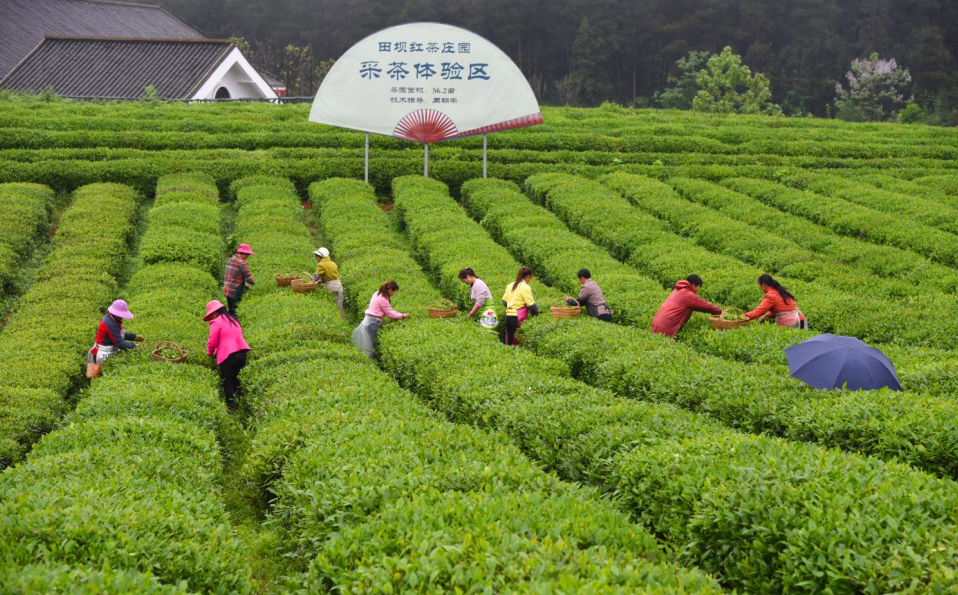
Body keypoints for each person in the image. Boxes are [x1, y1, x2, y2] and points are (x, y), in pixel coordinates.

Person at [205, 299, 250, 407]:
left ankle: (232, 408)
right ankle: (241, 405)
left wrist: (210, 353)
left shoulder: (216, 322)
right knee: (237, 380)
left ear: (215, 312)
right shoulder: (233, 319)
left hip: (228, 356)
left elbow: (212, 341)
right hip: (241, 353)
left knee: (228, 382)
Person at [650, 274, 723, 337]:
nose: (698, 290)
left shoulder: (678, 290)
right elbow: (705, 306)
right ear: (694, 285)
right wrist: (720, 311)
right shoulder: (688, 295)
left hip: (656, 326)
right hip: (665, 329)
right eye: (698, 287)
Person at [352, 280, 410, 359]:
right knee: (372, 346)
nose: (394, 294)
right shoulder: (383, 299)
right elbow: (390, 314)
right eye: (394, 292)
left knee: (369, 344)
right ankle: (372, 364)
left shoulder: (377, 293)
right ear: (390, 290)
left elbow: (389, 311)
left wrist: (398, 314)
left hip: (368, 320)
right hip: (372, 323)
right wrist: (402, 316)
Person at [742, 274, 807, 329]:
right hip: (801, 319)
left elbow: (757, 312)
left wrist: (741, 317)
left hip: (792, 323)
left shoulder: (771, 296)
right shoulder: (781, 290)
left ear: (763, 285)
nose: (760, 289)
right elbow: (784, 308)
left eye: (760, 286)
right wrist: (768, 315)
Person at [88, 299, 143, 364]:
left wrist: (135, 337)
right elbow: (120, 343)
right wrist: (134, 345)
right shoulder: (110, 323)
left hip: (107, 351)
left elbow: (118, 334)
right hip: (102, 354)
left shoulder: (111, 319)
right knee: (98, 373)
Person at [502, 266, 539, 346]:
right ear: (528, 276)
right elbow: (531, 305)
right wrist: (537, 316)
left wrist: (512, 305)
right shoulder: (525, 287)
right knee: (516, 341)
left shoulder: (510, 285)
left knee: (509, 340)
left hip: (508, 315)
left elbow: (504, 302)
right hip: (518, 316)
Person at [311, 247, 345, 319]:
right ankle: (342, 319)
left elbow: (315, 277)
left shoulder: (321, 265)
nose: (316, 258)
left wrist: (310, 280)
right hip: (338, 285)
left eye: (316, 256)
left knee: (332, 305)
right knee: (339, 305)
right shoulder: (332, 263)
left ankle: (337, 321)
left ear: (320, 257)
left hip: (331, 287)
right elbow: (329, 275)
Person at [223, 243, 256, 315]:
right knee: (236, 311)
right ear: (242, 253)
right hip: (235, 291)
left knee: (231, 310)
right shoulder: (242, 263)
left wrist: (244, 285)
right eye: (247, 254)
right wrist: (255, 283)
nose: (247, 256)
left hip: (227, 290)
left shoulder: (230, 260)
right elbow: (249, 278)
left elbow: (233, 276)